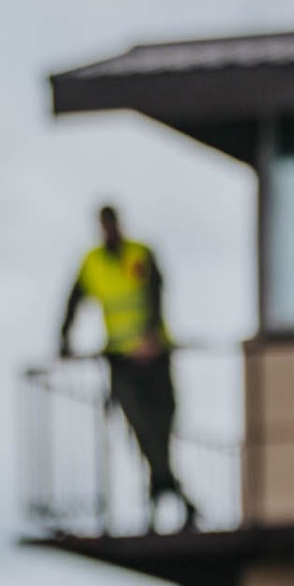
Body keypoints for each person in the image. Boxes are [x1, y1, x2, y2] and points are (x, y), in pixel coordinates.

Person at [59, 206, 201, 532]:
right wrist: (64, 338)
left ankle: (165, 492)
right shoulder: (92, 262)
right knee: (142, 430)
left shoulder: (140, 254)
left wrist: (150, 337)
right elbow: (73, 299)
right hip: (122, 362)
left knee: (161, 428)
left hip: (154, 358)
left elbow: (155, 295)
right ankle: (169, 493)